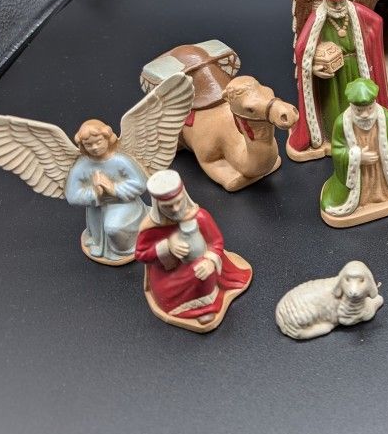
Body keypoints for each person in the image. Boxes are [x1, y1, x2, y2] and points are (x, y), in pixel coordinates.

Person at [287, 0, 388, 161]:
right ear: (325, 0)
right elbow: (303, 48)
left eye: (342, 0)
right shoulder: (318, 19)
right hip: (332, 77)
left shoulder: (356, 12)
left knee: (359, 101)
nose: (338, 5)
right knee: (335, 105)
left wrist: (367, 44)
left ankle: (361, 132)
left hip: (356, 68)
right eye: (334, 2)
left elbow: (376, 22)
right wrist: (313, 67)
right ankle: (337, 137)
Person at [135, 171, 252, 327]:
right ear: (157, 206)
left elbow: (216, 241)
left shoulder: (199, 216)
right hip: (169, 273)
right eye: (168, 206)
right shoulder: (151, 227)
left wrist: (210, 261)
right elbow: (141, 254)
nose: (175, 209)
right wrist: (167, 247)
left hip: (199, 262)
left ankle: (206, 308)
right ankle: (188, 309)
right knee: (166, 293)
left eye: (179, 202)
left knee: (202, 274)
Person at [320, 78, 388, 224]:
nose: (365, 114)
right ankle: (363, 200)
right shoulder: (341, 123)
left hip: (383, 170)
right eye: (359, 110)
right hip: (361, 174)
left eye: (369, 109)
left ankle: (385, 194)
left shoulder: (385, 116)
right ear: (351, 106)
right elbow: (337, 150)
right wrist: (358, 157)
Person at [64, 120, 149, 263]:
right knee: (107, 226)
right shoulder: (82, 166)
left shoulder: (120, 161)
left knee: (113, 228)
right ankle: (104, 244)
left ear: (107, 139)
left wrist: (113, 188)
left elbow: (140, 184)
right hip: (97, 209)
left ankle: (128, 246)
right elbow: (72, 195)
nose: (94, 148)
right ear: (83, 146)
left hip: (124, 202)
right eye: (88, 145)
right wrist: (95, 193)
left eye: (98, 142)